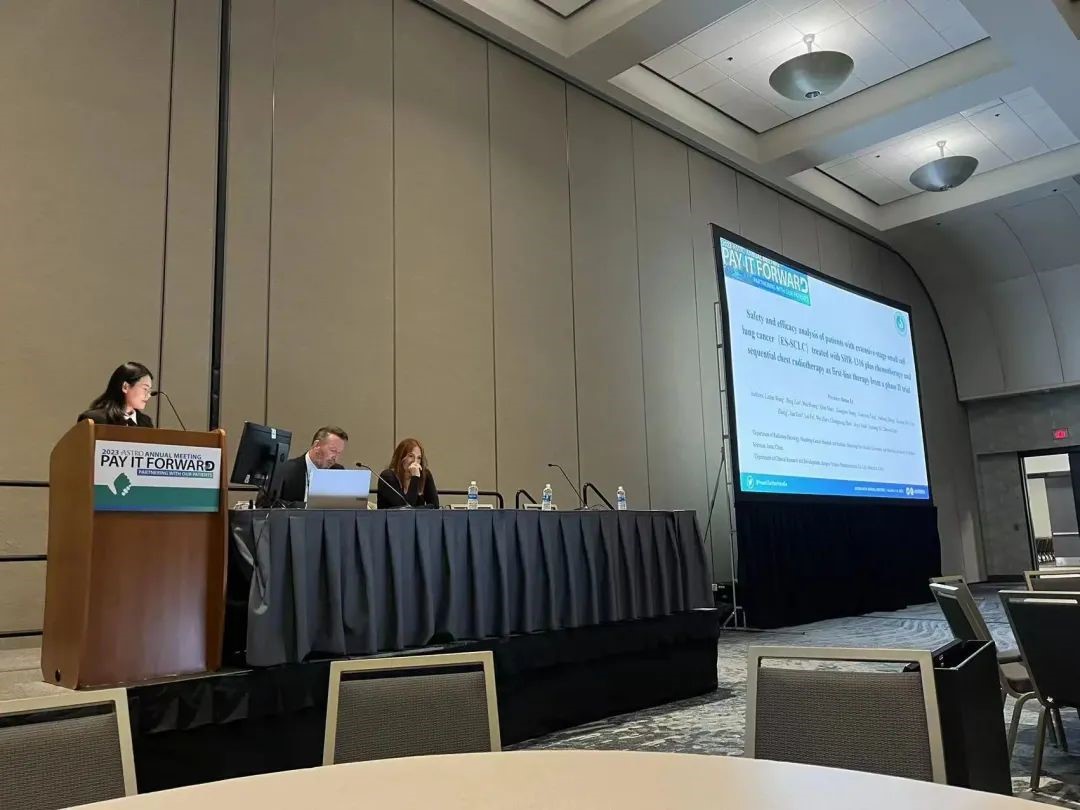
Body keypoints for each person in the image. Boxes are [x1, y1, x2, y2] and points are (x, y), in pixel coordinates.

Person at [276, 426, 349, 504]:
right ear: (316, 445)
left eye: (339, 453)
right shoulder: (287, 470)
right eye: (333, 450)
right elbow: (274, 503)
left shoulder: (337, 471)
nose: (335, 458)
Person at [78, 362, 156, 427]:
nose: (148, 395)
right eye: (145, 389)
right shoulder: (95, 420)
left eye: (150, 390)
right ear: (125, 387)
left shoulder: (146, 423)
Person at [377, 438, 439, 509]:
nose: (415, 461)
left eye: (419, 458)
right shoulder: (387, 476)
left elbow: (435, 506)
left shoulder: (425, 475)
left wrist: (416, 510)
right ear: (401, 458)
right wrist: (415, 477)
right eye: (411, 456)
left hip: (419, 517)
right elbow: (405, 509)